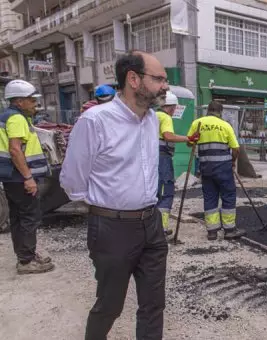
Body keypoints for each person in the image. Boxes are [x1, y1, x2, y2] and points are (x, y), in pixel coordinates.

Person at [60, 50, 170, 340]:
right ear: (133, 79)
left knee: (153, 304)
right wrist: (106, 207)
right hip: (112, 228)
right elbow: (72, 180)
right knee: (110, 304)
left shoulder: (152, 120)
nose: (165, 86)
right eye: (159, 78)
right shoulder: (95, 121)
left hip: (152, 225)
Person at [0, 79, 54, 275]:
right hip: (19, 177)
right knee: (29, 217)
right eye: (31, 100)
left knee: (17, 217)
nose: (35, 104)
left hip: (11, 178)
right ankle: (26, 261)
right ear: (19, 101)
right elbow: (15, 150)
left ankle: (25, 255)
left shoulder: (7, 117)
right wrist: (28, 178)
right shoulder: (16, 119)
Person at [188, 100, 245, 241]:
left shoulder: (198, 123)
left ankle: (212, 232)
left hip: (206, 168)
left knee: (210, 197)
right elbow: (236, 149)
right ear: (221, 112)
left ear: (208, 110)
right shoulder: (225, 125)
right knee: (228, 196)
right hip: (223, 168)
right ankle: (229, 230)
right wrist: (232, 162)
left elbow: (189, 142)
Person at [156, 91, 199, 235]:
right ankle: (161, 228)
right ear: (172, 107)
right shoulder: (165, 118)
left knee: (154, 193)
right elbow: (168, 136)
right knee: (166, 192)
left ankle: (150, 228)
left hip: (149, 158)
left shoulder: (152, 115)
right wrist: (189, 138)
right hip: (162, 159)